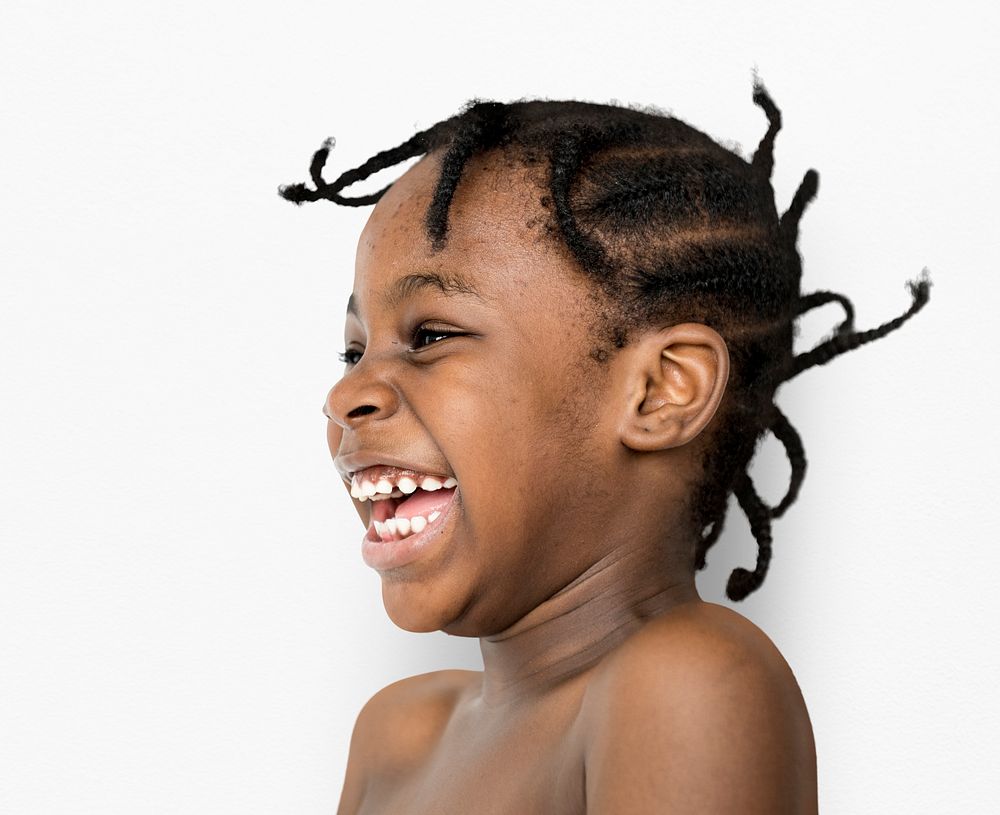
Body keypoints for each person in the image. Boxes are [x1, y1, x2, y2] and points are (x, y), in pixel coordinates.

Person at [280, 79, 930, 814]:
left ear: (661, 390)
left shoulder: (688, 680)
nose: (348, 394)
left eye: (430, 336)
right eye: (353, 351)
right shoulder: (397, 734)